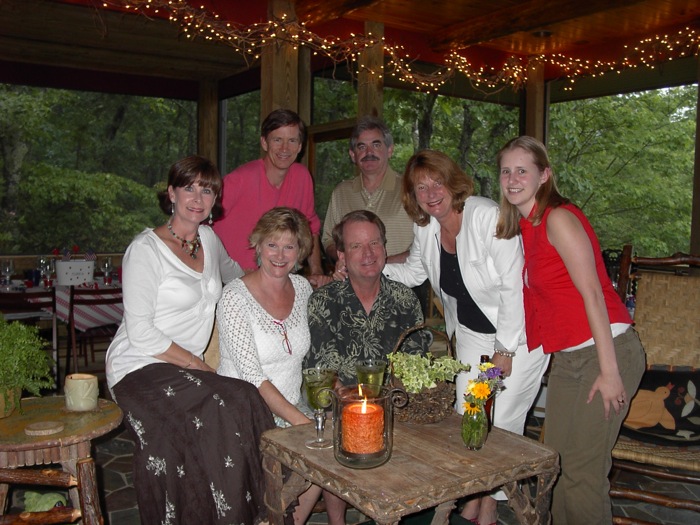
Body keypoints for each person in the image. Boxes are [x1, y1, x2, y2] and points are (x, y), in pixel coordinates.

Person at [381, 149, 549, 525]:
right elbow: (412, 272)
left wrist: (504, 351)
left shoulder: (485, 215)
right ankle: (474, 493)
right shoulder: (425, 228)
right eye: (419, 187)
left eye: (436, 182)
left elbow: (513, 287)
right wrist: (372, 263)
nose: (430, 192)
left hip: (520, 338)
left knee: (501, 419)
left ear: (452, 181)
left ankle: (489, 503)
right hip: (473, 334)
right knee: (467, 414)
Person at [105, 155, 275, 525]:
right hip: (139, 365)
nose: (198, 197)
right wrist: (196, 363)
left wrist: (281, 272)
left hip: (184, 373)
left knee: (242, 396)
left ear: (215, 199)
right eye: (189, 187)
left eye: (208, 189)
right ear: (171, 193)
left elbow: (238, 274)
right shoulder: (145, 250)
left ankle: (260, 508)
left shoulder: (209, 240)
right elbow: (141, 331)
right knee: (219, 403)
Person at [496, 136, 645, 524]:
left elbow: (593, 294)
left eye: (522, 170)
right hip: (568, 359)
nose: (512, 179)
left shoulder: (557, 218)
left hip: (606, 351)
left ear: (545, 175)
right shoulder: (527, 226)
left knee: (582, 474)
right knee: (556, 467)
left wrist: (609, 372)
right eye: (505, 171)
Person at [216, 206, 332, 525]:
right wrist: (305, 425)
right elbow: (253, 378)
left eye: (289, 246)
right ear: (257, 244)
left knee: (335, 447)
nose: (280, 255)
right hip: (246, 410)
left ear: (301, 251)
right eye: (272, 244)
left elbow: (316, 349)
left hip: (293, 403)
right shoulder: (234, 298)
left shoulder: (303, 288)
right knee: (319, 447)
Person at [306, 210, 429, 384]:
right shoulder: (323, 302)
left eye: (374, 243)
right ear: (342, 255)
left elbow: (415, 370)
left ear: (384, 248)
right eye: (356, 246)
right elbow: (324, 374)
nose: (368, 253)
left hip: (395, 404)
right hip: (341, 406)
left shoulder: (406, 300)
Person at [213, 108, 326, 281]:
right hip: (233, 281)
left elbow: (311, 228)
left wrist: (317, 270)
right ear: (264, 143)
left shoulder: (302, 177)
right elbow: (201, 226)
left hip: (279, 280)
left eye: (292, 140)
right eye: (277, 140)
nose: (284, 148)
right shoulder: (238, 180)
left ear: (300, 146)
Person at [322, 116, 414, 267]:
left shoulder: (411, 189)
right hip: (353, 283)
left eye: (376, 145)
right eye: (361, 147)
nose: (369, 152)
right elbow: (328, 239)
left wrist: (379, 264)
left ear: (390, 150)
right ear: (353, 155)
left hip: (403, 282)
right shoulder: (341, 192)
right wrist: (342, 258)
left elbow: (424, 246)